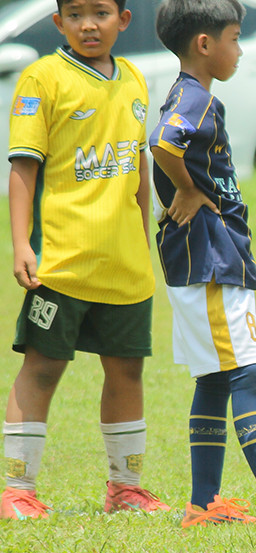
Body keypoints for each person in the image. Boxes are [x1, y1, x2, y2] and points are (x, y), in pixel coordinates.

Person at [1, 0, 171, 520]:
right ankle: (16, 490)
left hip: (123, 265)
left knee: (126, 371)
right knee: (44, 368)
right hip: (62, 263)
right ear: (58, 23)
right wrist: (22, 244)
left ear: (124, 18)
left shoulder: (136, 80)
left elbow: (138, 168)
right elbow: (24, 168)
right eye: (75, 14)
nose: (88, 25)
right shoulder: (42, 79)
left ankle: (126, 489)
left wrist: (142, 242)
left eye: (99, 12)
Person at [149, 0, 256, 529]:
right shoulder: (195, 98)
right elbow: (163, 144)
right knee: (247, 372)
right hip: (210, 259)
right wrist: (191, 189)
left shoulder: (190, 95)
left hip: (202, 258)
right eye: (235, 38)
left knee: (215, 378)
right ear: (205, 44)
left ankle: (204, 505)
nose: (239, 50)